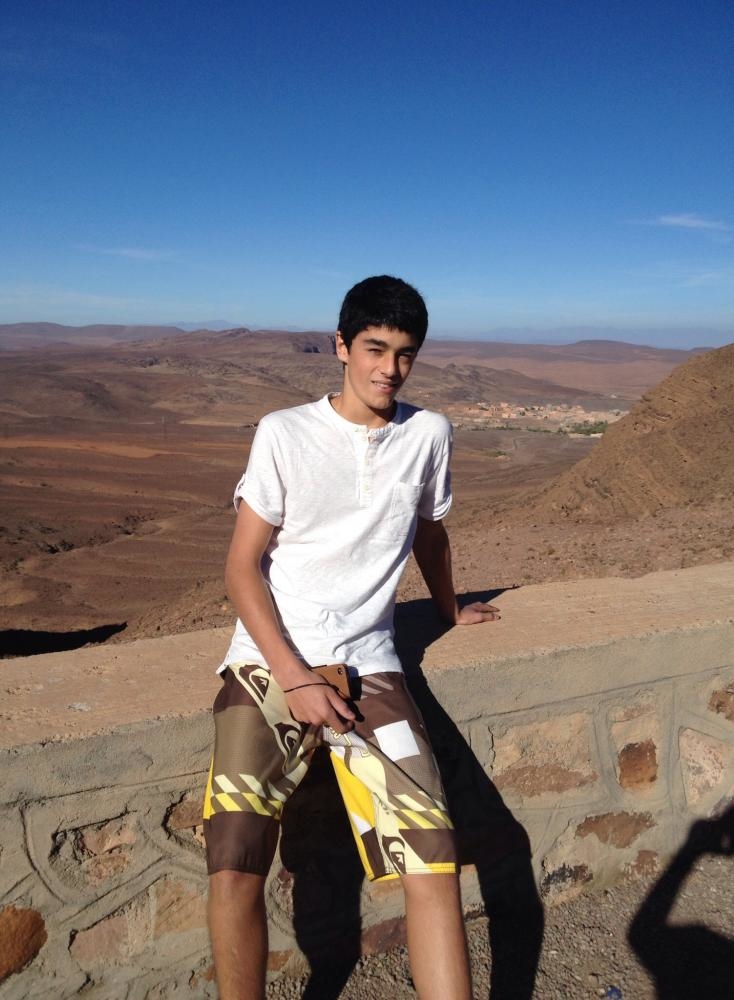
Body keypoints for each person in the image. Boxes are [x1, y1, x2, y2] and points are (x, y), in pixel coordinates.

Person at [204, 275, 501, 999]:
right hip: (268, 664)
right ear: (340, 346)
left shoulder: (428, 435)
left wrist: (448, 607)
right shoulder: (285, 433)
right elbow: (242, 568)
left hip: (371, 666)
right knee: (235, 859)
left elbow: (430, 531)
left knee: (433, 857)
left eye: (404, 354)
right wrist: (296, 677)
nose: (389, 369)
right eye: (374, 348)